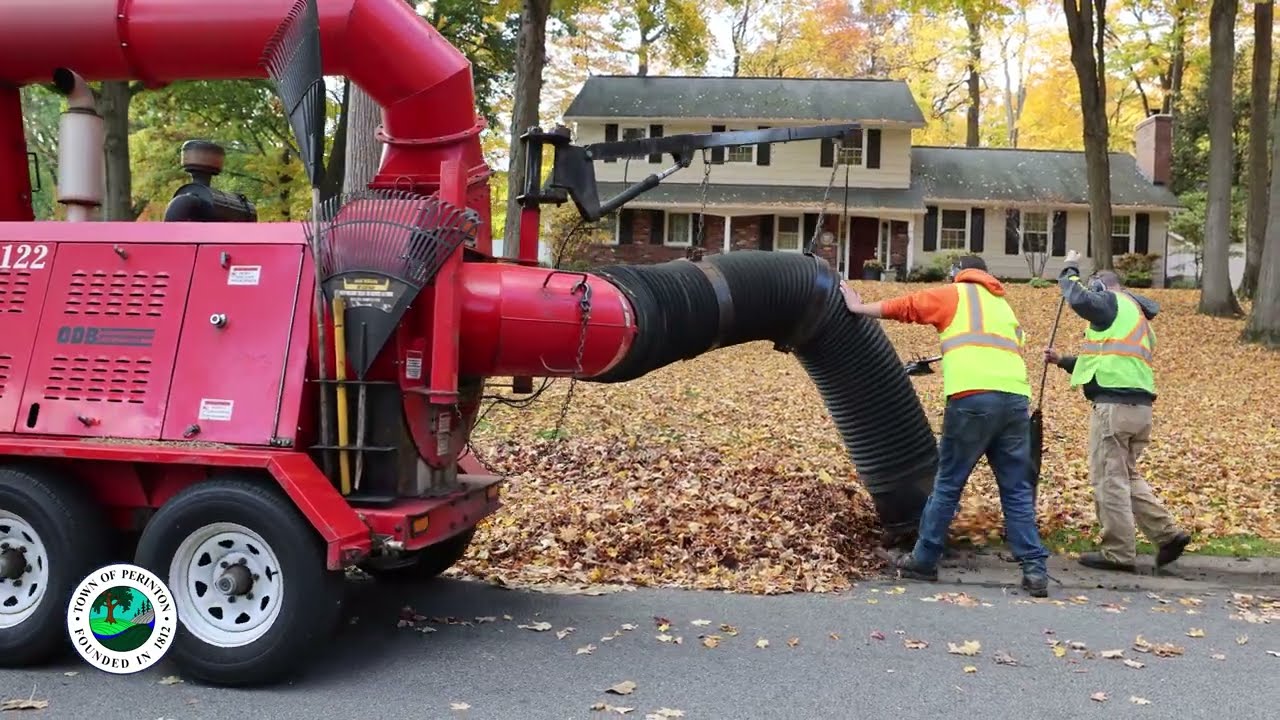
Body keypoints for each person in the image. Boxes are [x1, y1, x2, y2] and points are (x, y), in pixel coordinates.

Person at [840, 255, 1050, 597]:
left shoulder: (957, 293)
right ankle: (1035, 570)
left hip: (972, 400)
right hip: (1014, 402)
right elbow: (1010, 343)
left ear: (958, 272)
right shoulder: (1002, 305)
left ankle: (923, 560)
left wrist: (859, 308)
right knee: (1016, 490)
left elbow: (908, 305)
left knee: (949, 484)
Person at [1044, 250, 1191, 572]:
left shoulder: (1110, 302)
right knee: (1126, 476)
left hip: (1114, 409)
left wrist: (1069, 268)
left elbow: (1078, 299)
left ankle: (1119, 553)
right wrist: (1063, 361)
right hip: (1139, 408)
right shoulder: (1137, 319)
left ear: (1101, 286)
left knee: (1109, 480)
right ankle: (1168, 535)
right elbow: (1109, 359)